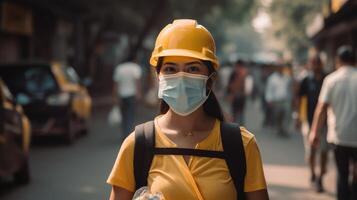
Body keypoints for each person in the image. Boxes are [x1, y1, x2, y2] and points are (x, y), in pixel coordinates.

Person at [107, 19, 269, 200]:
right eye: (170, 69)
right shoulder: (137, 145)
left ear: (211, 79)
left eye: (192, 68)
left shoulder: (242, 144)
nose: (181, 77)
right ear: (158, 77)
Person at [310, 45, 357, 200]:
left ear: (338, 61)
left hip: (339, 135)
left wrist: (314, 132)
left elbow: (321, 108)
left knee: (342, 173)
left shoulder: (331, 80)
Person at [295, 55, 328, 192]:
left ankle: (321, 177)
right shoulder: (306, 80)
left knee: (324, 151)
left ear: (321, 64)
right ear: (310, 64)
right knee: (311, 151)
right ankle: (313, 174)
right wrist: (297, 117)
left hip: (325, 122)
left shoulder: (327, 79)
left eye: (317, 63)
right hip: (308, 121)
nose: (315, 66)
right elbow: (299, 98)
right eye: (313, 63)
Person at [112, 57, 142, 137]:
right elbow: (137, 82)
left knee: (124, 116)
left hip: (121, 96)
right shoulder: (135, 67)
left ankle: (125, 134)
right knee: (130, 115)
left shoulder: (119, 68)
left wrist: (115, 96)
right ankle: (129, 134)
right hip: (132, 95)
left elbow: (116, 85)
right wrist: (139, 93)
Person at [265, 64, 292, 137]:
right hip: (276, 100)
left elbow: (290, 89)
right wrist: (269, 100)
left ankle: (284, 129)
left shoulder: (287, 77)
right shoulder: (272, 78)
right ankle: (279, 128)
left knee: (286, 115)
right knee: (278, 116)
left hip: (286, 100)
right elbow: (269, 90)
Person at [227, 60, 248, 124]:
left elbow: (229, 85)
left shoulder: (242, 74)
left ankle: (238, 125)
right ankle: (237, 125)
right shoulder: (243, 73)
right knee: (236, 111)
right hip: (237, 95)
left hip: (240, 95)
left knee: (238, 112)